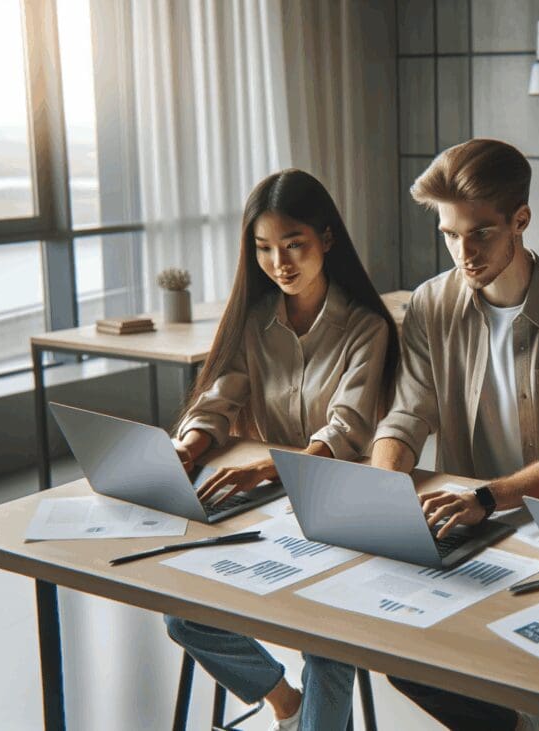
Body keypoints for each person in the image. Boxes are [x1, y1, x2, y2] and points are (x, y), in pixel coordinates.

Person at [370, 138, 539, 731]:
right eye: (450, 235)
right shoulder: (431, 303)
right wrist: (382, 493)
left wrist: (485, 498)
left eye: (481, 232)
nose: (465, 251)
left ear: (521, 220)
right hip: (466, 527)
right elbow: (408, 414)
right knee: (401, 656)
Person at [163, 168, 400, 731]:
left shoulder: (365, 326)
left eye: (294, 245)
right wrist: (189, 446)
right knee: (182, 614)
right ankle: (287, 705)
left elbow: (344, 432)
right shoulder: (252, 321)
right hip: (267, 507)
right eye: (264, 249)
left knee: (329, 640)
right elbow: (218, 400)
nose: (280, 263)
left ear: (327, 239)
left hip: (340, 510)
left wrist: (270, 466)